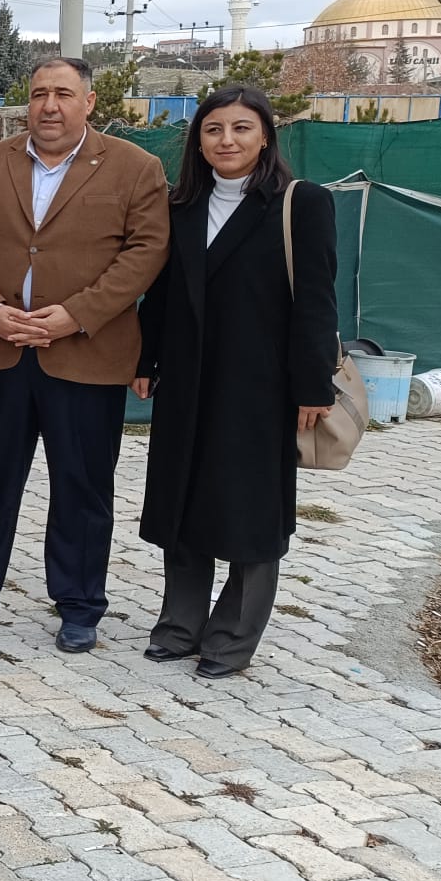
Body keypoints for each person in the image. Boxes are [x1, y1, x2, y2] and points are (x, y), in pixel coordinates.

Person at [0, 56, 171, 651]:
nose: (49, 105)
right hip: (1, 349)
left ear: (88, 102)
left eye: (63, 94)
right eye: (39, 92)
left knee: (82, 485)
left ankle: (79, 602)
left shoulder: (134, 168)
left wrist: (77, 314)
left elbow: (145, 252)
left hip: (85, 356)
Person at [133, 86, 339, 678]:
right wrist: (147, 359)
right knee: (183, 499)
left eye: (241, 129)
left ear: (266, 136)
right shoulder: (181, 206)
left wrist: (311, 386)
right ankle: (179, 624)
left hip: (261, 386)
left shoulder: (302, 203)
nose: (227, 141)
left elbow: (316, 302)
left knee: (251, 510)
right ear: (198, 140)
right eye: (214, 130)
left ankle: (232, 637)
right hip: (188, 381)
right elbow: (163, 292)